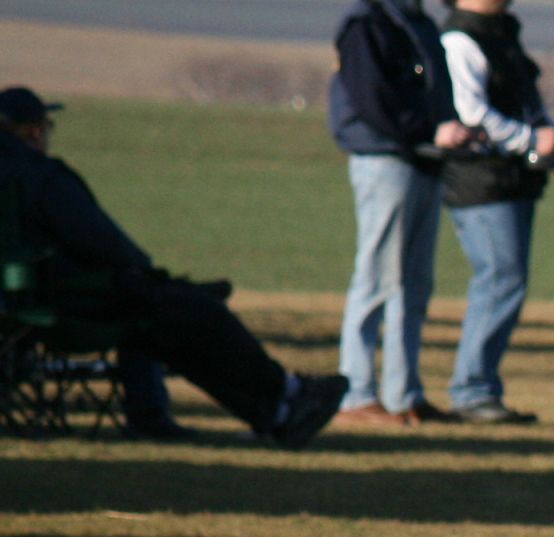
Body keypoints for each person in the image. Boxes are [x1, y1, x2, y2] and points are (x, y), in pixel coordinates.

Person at [0, 87, 349, 447]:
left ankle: (274, 409)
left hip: (25, 305)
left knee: (170, 314)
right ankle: (284, 398)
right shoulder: (42, 178)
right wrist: (140, 273)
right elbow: (103, 243)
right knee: (183, 313)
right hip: (67, 303)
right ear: (34, 132)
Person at [328, 0, 472, 427]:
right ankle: (356, 392)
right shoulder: (365, 25)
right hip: (385, 161)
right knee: (376, 278)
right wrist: (427, 130)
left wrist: (455, 128)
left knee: (414, 285)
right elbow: (373, 99)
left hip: (426, 162)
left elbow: (438, 92)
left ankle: (403, 394)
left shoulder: (420, 24)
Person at [438, 0, 554, 425]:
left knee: (508, 280)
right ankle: (472, 391)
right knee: (500, 278)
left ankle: (480, 388)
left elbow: (529, 107)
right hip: (481, 182)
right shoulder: (460, 41)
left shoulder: (504, 36)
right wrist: (532, 140)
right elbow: (472, 114)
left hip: (513, 180)